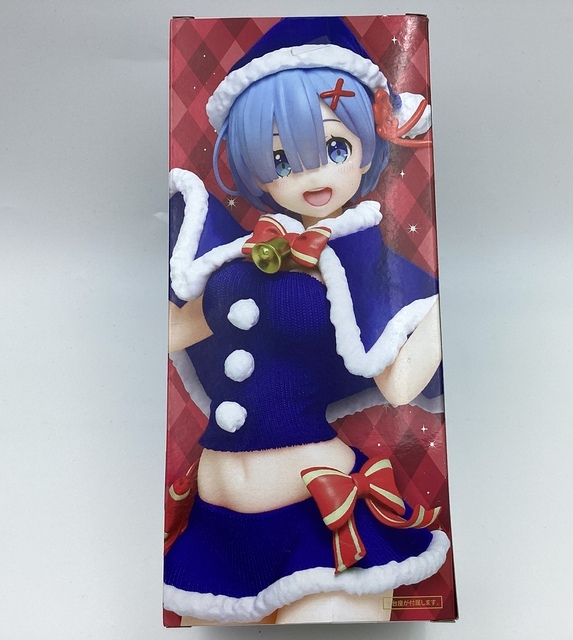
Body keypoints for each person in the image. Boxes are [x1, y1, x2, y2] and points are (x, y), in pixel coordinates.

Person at [163, 17, 449, 625]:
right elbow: (176, 331)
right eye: (281, 158)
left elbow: (400, 385)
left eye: (336, 149)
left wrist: (448, 303)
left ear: (367, 149)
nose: (313, 176)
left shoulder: (367, 263)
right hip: (217, 529)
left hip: (318, 521)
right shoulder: (235, 251)